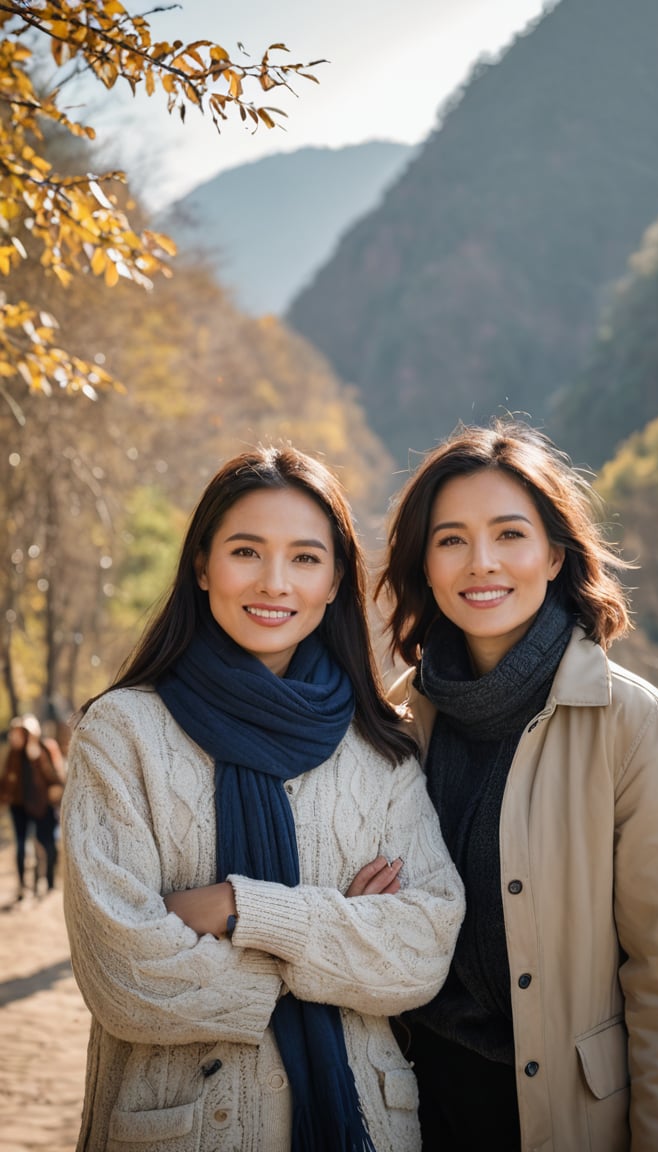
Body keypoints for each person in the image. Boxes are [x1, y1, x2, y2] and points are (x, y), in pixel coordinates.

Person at [60, 445, 464, 1152]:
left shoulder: (379, 748)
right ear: (202, 564)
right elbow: (124, 977)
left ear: (337, 579)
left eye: (306, 558)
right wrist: (337, 944)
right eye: (247, 551)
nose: (275, 583)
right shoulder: (124, 733)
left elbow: (424, 953)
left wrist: (238, 909)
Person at [375, 417, 658, 1151]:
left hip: (565, 1114)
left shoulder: (630, 722)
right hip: (406, 1102)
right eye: (451, 540)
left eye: (509, 535)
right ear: (425, 565)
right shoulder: (394, 719)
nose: (481, 564)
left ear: (555, 554)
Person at [0, 713, 66, 899]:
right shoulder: (13, 754)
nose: (15, 737)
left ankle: (49, 883)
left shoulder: (46, 748)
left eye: (20, 733)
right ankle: (23, 886)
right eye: (14, 733)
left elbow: (56, 778)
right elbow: (6, 780)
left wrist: (36, 756)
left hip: (42, 806)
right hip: (18, 807)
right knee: (21, 845)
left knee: (46, 844)